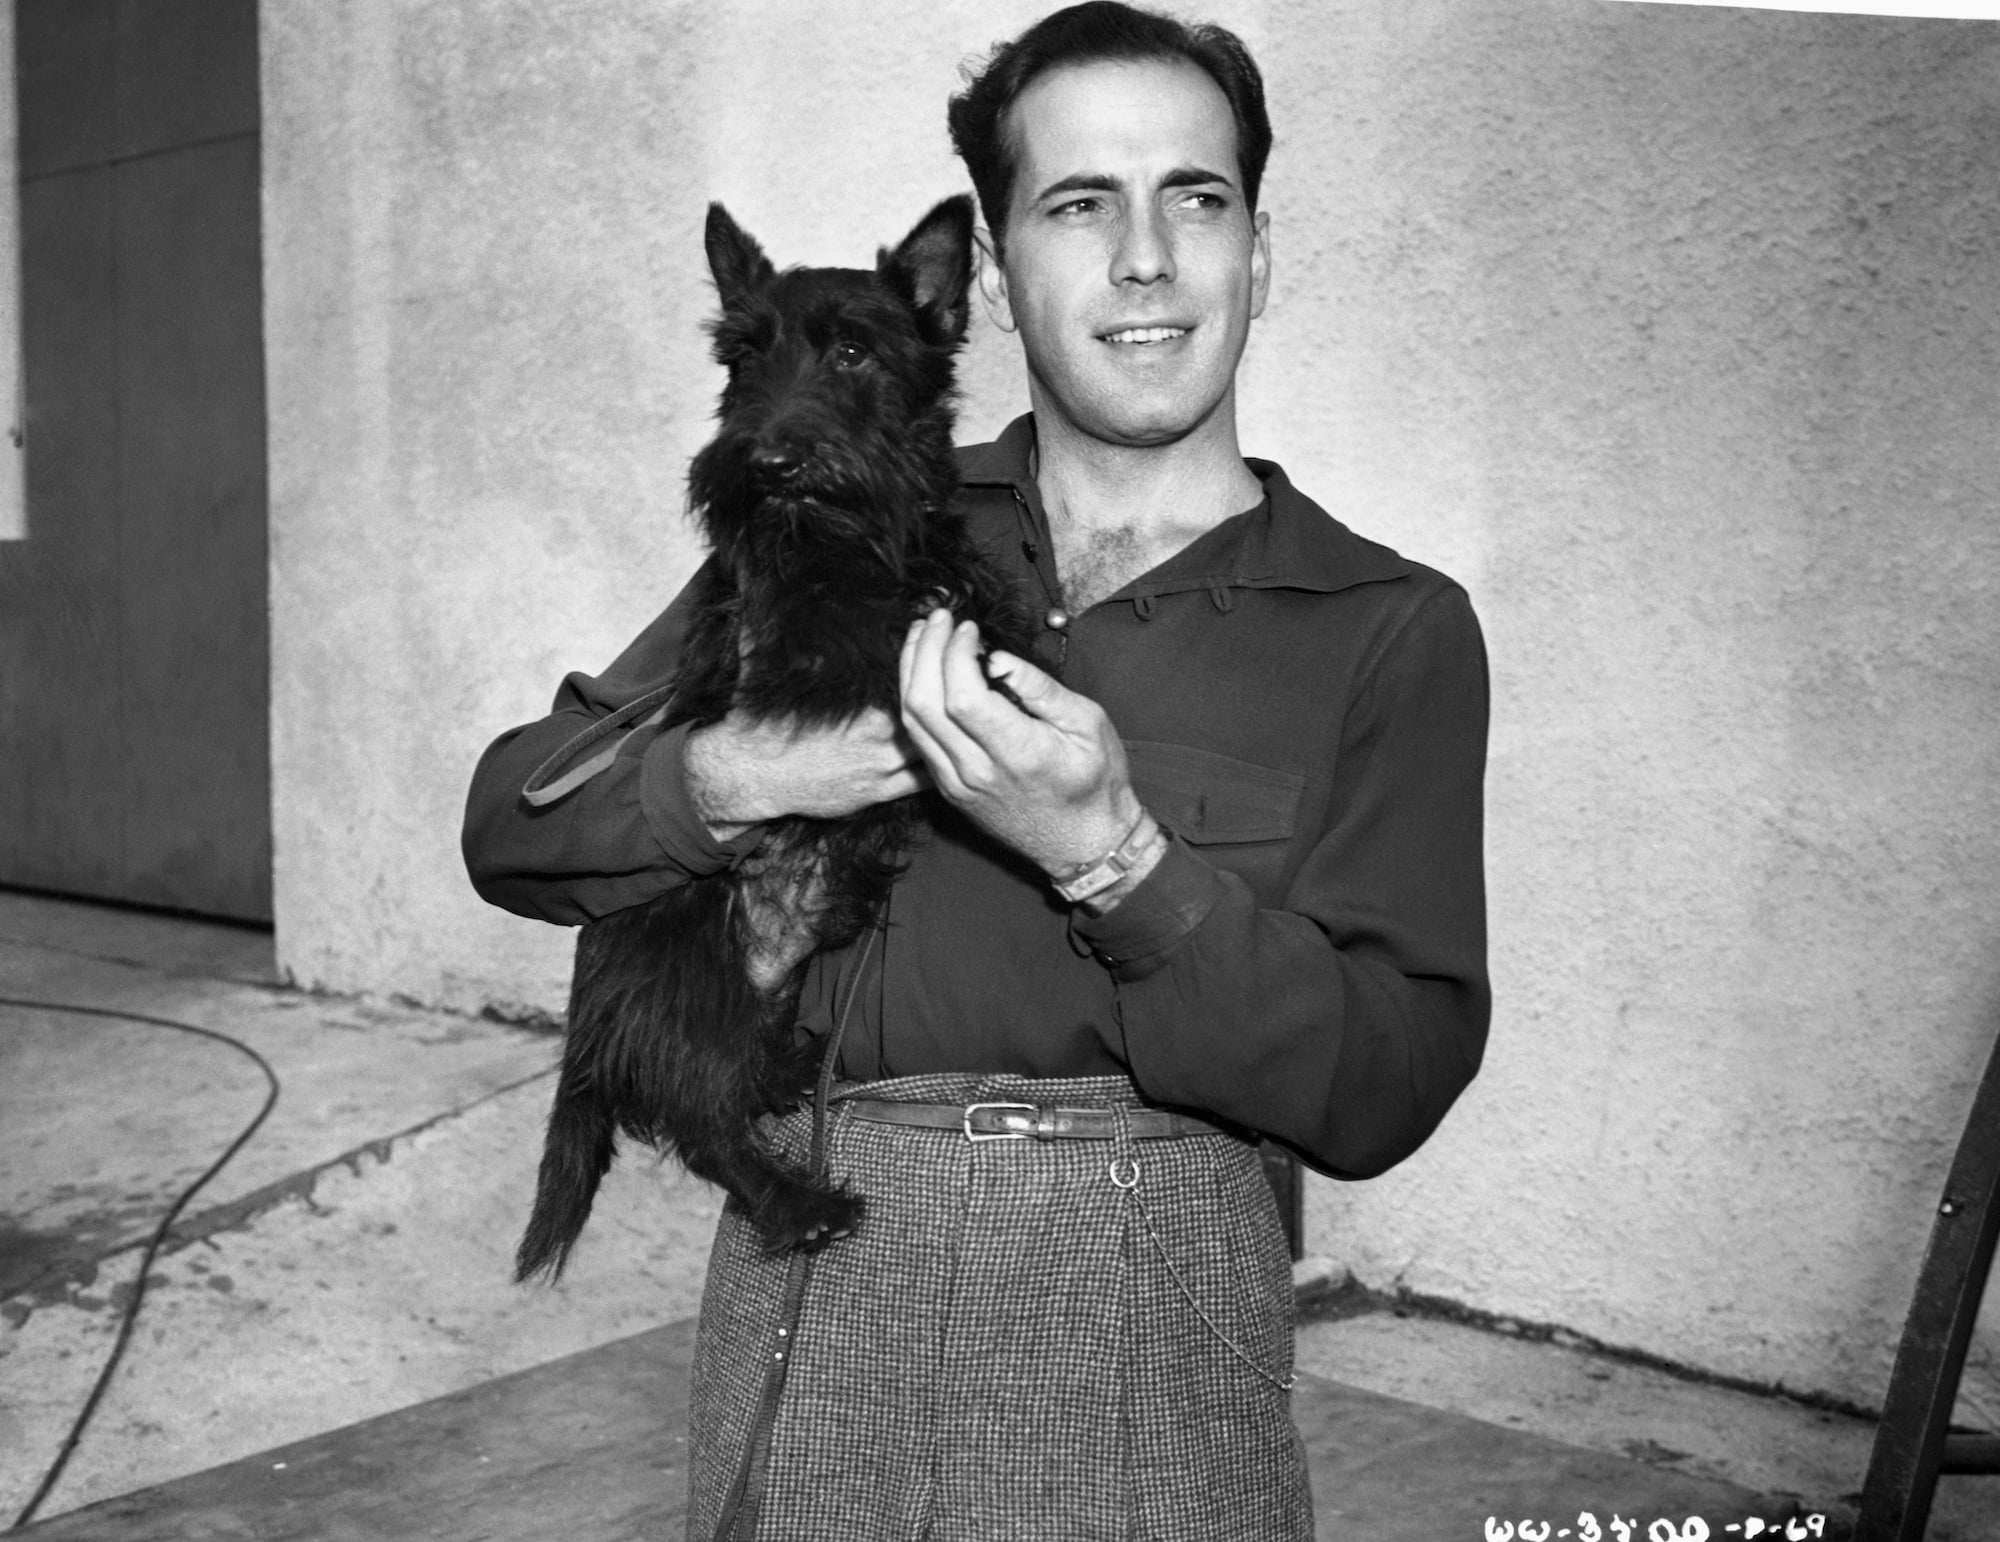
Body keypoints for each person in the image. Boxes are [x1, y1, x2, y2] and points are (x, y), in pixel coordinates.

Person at [462, 3, 1489, 1536]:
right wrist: (747, 771)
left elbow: (1390, 1082)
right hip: (808, 1304)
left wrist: (1119, 858)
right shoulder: (834, 512)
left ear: (1258, 253)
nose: (1145, 257)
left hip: (1151, 1359)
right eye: (1080, 204)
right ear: (995, 277)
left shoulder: (1387, 628)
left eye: (1196, 198)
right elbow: (511, 820)